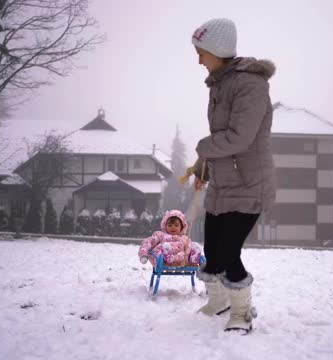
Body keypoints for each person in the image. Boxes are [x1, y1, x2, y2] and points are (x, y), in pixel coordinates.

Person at [190, 18, 276, 334]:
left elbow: (239, 137)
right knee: (212, 252)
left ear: (217, 50)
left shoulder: (250, 84)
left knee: (228, 252)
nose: (199, 59)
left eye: (202, 52)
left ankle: (241, 313)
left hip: (250, 183)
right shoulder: (220, 83)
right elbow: (223, 139)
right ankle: (221, 302)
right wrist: (205, 167)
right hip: (224, 182)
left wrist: (202, 148)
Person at [138, 209, 202, 267]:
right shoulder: (161, 235)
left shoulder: (184, 238)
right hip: (163, 258)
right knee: (165, 247)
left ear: (182, 227)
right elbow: (148, 241)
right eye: (170, 225)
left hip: (180, 259)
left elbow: (188, 250)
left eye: (176, 225)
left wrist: (189, 254)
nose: (173, 227)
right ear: (165, 225)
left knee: (193, 246)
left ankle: (193, 261)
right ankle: (167, 260)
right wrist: (143, 254)